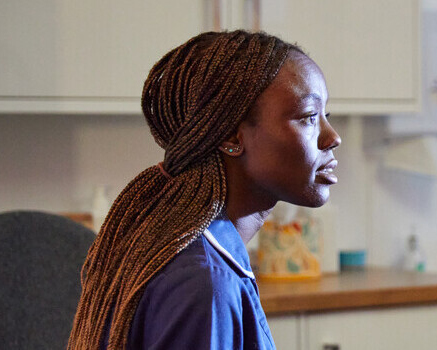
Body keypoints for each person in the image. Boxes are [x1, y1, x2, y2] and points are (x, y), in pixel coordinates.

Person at [68, 30, 341, 349]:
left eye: (326, 116)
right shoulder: (205, 283)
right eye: (309, 117)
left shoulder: (192, 255)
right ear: (231, 137)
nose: (332, 137)